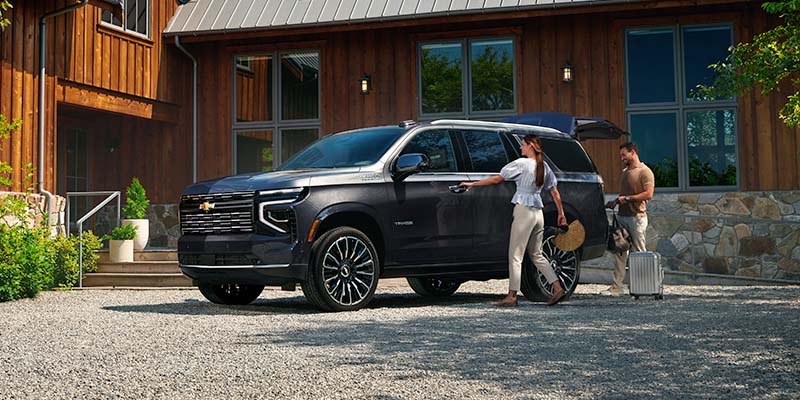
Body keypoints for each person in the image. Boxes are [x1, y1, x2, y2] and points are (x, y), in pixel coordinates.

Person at [459, 134, 567, 307]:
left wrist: (472, 184)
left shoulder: (521, 164)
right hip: (538, 213)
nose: (520, 147)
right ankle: (557, 287)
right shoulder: (544, 166)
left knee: (515, 255)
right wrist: (561, 213)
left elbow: (497, 179)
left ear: (530, 145)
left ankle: (512, 296)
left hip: (524, 210)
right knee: (537, 254)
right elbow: (554, 192)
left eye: (523, 144)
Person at [604, 142, 655, 296]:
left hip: (637, 218)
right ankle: (617, 286)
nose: (622, 158)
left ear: (633, 152)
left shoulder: (645, 172)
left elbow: (648, 194)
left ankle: (643, 287)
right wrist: (615, 202)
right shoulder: (625, 172)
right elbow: (624, 194)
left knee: (638, 253)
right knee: (619, 251)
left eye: (624, 155)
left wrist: (627, 198)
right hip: (622, 216)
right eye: (621, 155)